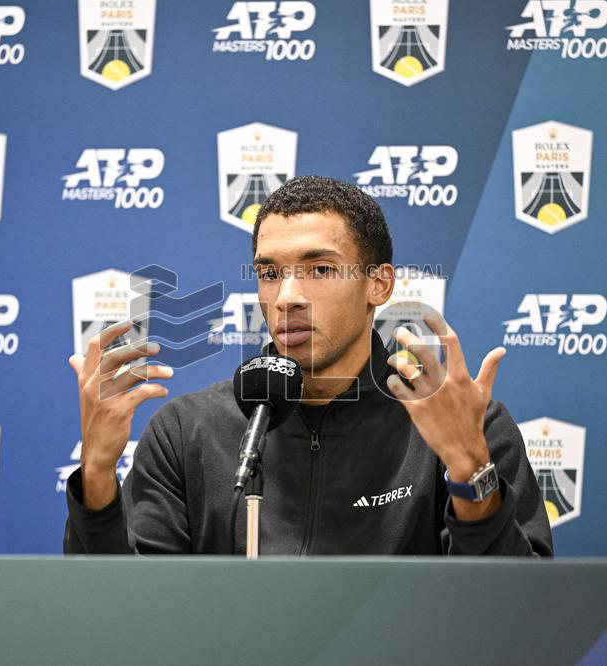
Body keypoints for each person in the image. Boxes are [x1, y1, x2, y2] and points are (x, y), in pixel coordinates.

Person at [63, 175, 553, 556]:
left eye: (319, 269)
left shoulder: (466, 427)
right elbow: (123, 613)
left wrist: (470, 473)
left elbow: (515, 615)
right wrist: (99, 476)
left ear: (379, 285)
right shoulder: (188, 430)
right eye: (270, 273)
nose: (287, 297)